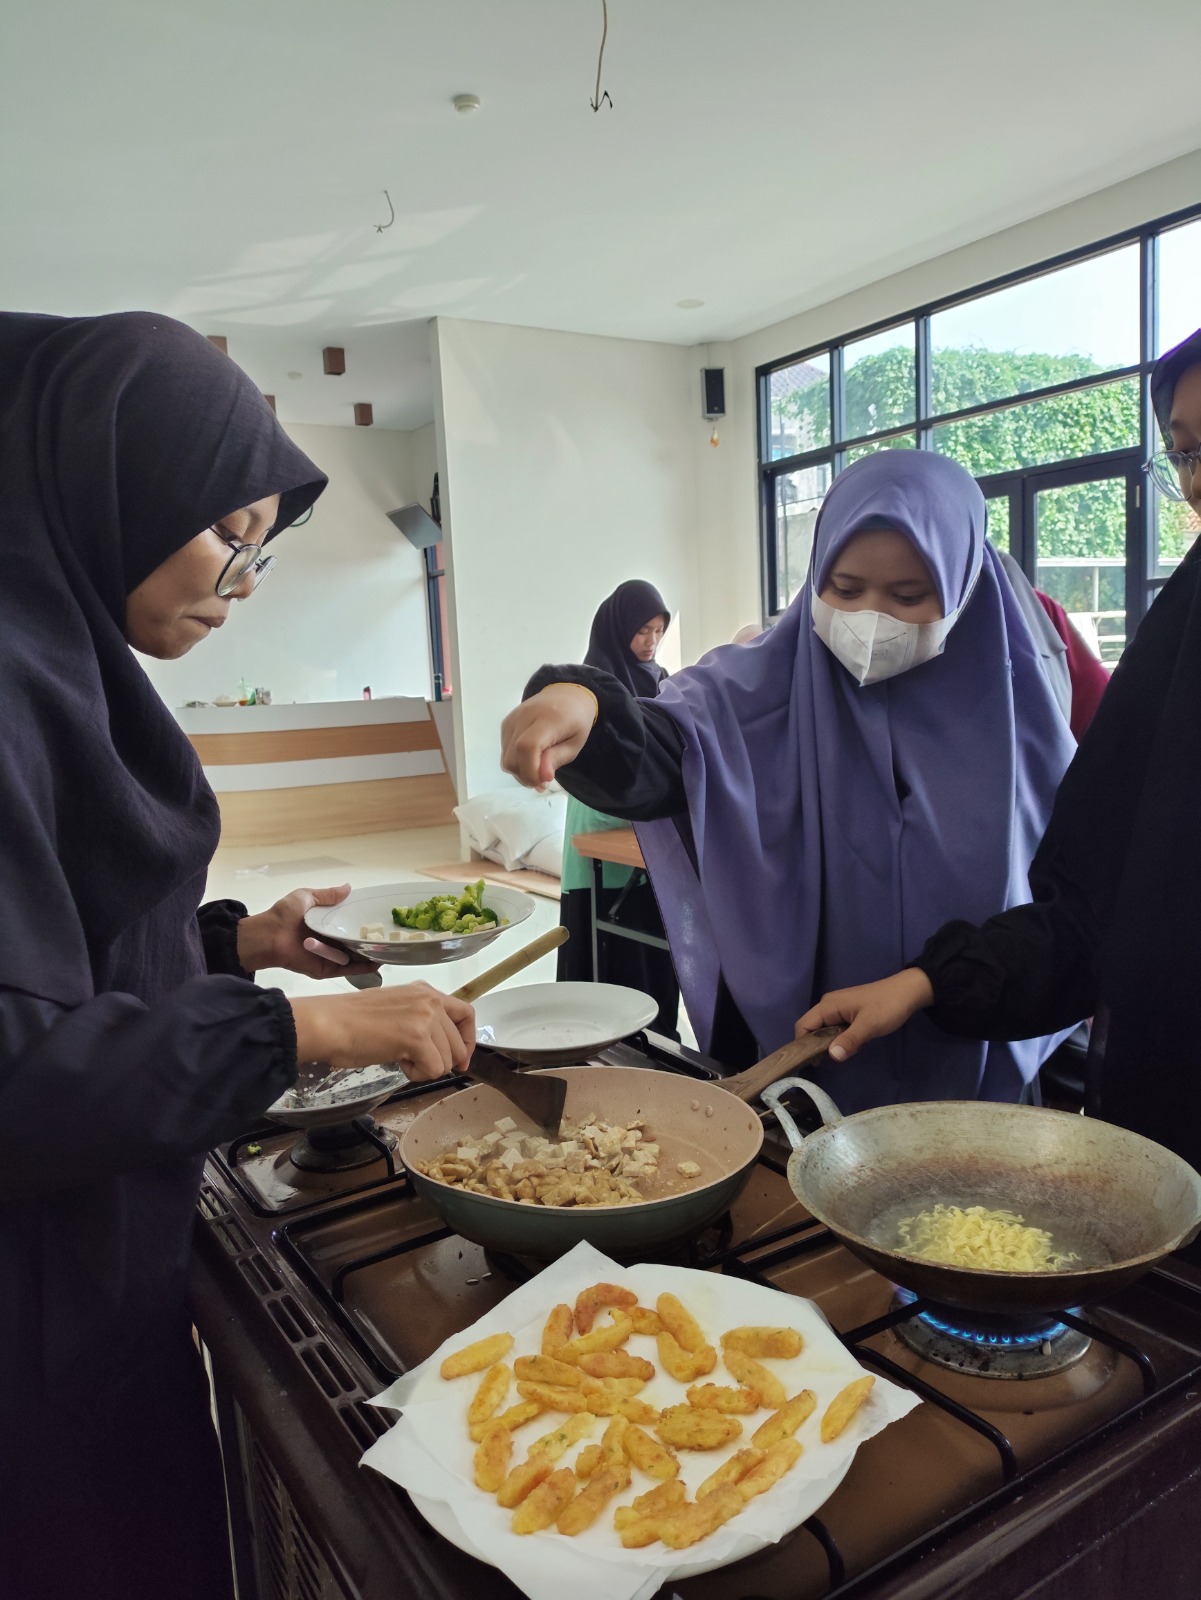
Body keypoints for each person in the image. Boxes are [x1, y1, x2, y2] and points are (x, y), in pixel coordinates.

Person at [0, 312, 475, 1600]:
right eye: (228, 537)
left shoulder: (68, 662)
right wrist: (300, 1032)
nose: (239, 585)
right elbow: (23, 1075)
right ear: (111, 483)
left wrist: (234, 941)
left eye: (261, 552)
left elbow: (70, 946)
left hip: (99, 1263)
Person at [502, 450, 1076, 1112]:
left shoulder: (1021, 715)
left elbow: (1070, 905)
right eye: (845, 588)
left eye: (909, 595)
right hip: (805, 1052)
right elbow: (666, 748)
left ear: (964, 585)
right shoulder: (762, 683)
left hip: (975, 1045)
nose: (870, 620)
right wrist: (586, 707)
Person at [794, 329, 1201, 1177]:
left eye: (910, 595)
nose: (874, 620)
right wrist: (929, 982)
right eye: (1187, 454)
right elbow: (1101, 903)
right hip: (1161, 1126)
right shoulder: (1180, 638)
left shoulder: (1025, 658)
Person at [556, 580, 680, 1037]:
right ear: (619, 628)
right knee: (607, 943)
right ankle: (604, 1040)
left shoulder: (665, 682)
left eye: (659, 631)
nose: (651, 642)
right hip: (604, 824)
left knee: (655, 946)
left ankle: (657, 1038)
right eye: (642, 630)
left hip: (652, 831)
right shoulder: (591, 689)